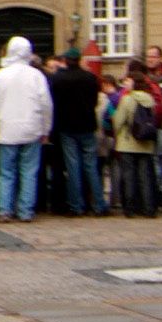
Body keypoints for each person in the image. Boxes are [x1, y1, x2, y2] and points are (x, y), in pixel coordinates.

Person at [0, 36, 52, 222]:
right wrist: (46, 129)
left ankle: (5, 210)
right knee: (29, 172)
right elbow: (46, 104)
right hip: (32, 128)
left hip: (7, 129)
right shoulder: (36, 75)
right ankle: (25, 211)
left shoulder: (0, 75)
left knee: (7, 173)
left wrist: (4, 108)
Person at [48, 50, 103, 221]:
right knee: (91, 166)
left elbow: (53, 103)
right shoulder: (90, 77)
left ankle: (76, 206)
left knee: (73, 168)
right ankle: (99, 205)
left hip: (67, 127)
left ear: (65, 60)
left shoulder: (58, 78)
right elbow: (94, 101)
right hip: (87, 125)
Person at [107, 66, 162, 214]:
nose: (125, 83)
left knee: (129, 176)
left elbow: (118, 122)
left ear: (133, 82)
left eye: (127, 81)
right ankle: (149, 207)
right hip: (146, 143)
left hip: (128, 143)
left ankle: (130, 208)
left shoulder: (127, 99)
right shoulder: (149, 99)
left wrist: (116, 134)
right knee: (145, 177)